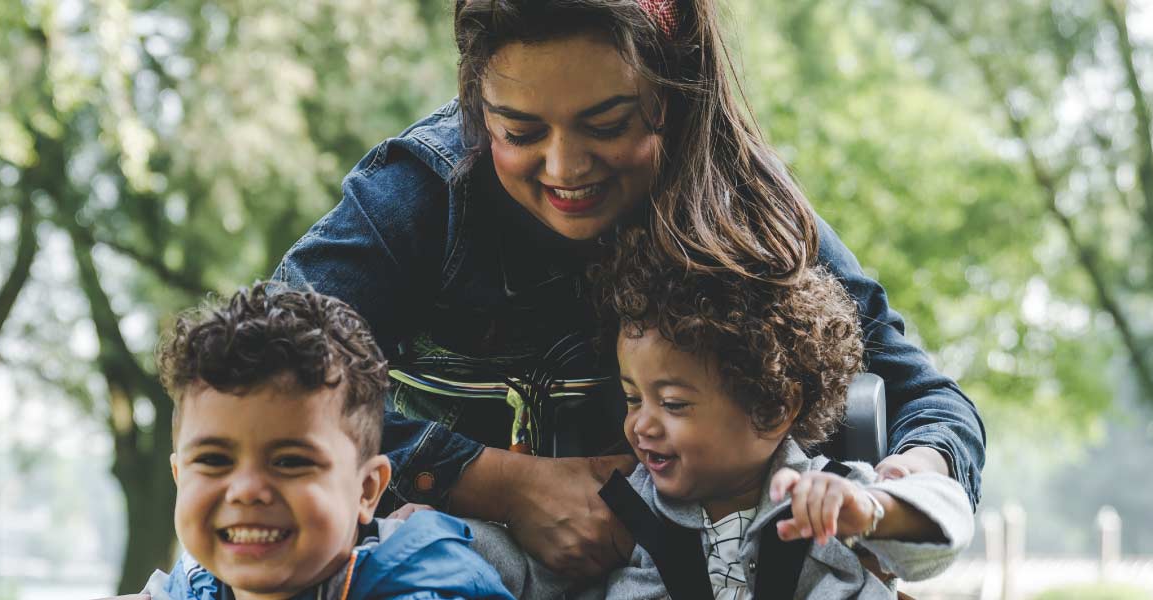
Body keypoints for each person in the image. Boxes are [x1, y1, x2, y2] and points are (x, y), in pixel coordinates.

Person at [273, 0, 985, 578]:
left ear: (672, 93)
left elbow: (929, 401)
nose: (564, 166)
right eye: (518, 129)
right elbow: (271, 367)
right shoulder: (419, 195)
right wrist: (502, 486)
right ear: (473, 102)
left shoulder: (749, 208)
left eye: (606, 124)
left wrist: (896, 494)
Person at [472, 234, 974, 599]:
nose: (641, 426)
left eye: (672, 404)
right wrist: (447, 536)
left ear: (771, 408)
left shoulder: (828, 499)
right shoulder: (622, 512)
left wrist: (875, 512)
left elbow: (944, 528)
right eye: (632, 398)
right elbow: (525, 570)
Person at [135, 283, 514, 600]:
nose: (246, 491)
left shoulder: (425, 591)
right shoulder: (188, 588)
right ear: (180, 476)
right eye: (214, 460)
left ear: (366, 490)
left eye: (290, 462)